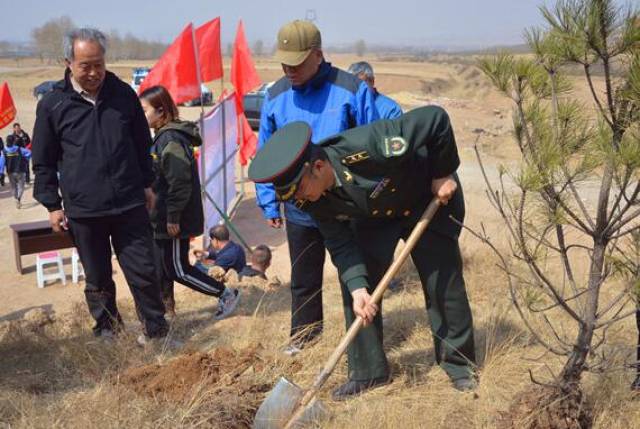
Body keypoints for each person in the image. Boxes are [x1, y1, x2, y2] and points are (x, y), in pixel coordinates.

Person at [249, 105, 477, 400]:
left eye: (301, 190)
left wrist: (442, 172)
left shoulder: (371, 145)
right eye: (292, 197)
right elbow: (340, 243)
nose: (299, 200)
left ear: (318, 167)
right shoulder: (311, 199)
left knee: (443, 283)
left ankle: (459, 365)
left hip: (427, 199)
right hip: (375, 216)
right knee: (357, 287)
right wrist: (358, 288)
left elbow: (436, 119)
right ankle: (368, 372)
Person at [32, 28, 169, 343]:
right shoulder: (53, 104)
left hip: (129, 201)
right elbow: (43, 160)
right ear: (68, 62)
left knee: (144, 271)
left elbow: (140, 143)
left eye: (99, 64)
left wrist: (147, 184)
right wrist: (52, 205)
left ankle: (156, 329)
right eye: (85, 65)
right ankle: (108, 329)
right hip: (84, 208)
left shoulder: (122, 95)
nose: (94, 72)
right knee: (97, 277)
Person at [256, 20, 379, 355]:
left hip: (347, 202)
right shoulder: (276, 95)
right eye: (284, 63)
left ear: (318, 55)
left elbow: (375, 138)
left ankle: (360, 345)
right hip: (300, 206)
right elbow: (265, 150)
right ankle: (304, 340)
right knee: (304, 277)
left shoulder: (352, 89)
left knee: (352, 275)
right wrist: (269, 202)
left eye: (297, 62)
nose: (289, 69)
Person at [139, 85, 240, 321]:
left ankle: (226, 293)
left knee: (177, 269)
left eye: (144, 110)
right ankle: (167, 312)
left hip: (173, 218)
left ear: (161, 111)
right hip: (162, 216)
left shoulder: (171, 139)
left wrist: (173, 216)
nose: (141, 115)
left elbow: (179, 183)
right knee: (162, 267)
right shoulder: (162, 137)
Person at [3, 139, 31, 208]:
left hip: (10, 172)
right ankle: (18, 198)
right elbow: (29, 152)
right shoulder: (19, 149)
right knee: (21, 186)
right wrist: (25, 159)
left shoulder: (4, 151)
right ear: (13, 142)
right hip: (20, 170)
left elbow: (2, 161)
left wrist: (1, 172)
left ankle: (16, 198)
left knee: (13, 187)